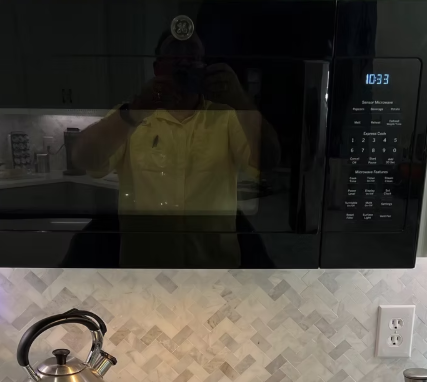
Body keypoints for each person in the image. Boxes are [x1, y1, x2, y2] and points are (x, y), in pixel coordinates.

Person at [71, 29, 280, 231]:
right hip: (146, 265)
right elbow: (84, 159)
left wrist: (240, 100)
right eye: (174, 57)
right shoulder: (131, 116)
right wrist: (136, 109)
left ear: (204, 68)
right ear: (157, 68)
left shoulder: (227, 117)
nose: (183, 64)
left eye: (192, 57)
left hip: (212, 265)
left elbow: (269, 161)